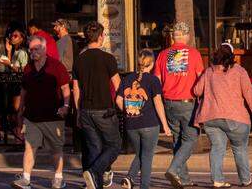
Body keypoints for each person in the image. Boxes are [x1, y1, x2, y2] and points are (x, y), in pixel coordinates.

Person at [193, 43, 252, 188]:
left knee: (217, 148)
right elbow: (249, 94)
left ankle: (218, 180)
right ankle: (246, 179)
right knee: (239, 149)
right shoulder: (239, 71)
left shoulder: (209, 71)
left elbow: (196, 91)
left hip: (211, 118)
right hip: (236, 118)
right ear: (232, 56)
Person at [12, 35, 71, 189]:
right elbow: (24, 91)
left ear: (44, 49)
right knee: (29, 148)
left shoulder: (57, 66)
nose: (33, 52)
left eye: (36, 49)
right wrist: (20, 111)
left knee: (56, 149)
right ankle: (25, 179)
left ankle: (58, 179)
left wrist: (66, 106)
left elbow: (66, 88)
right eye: (30, 49)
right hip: (32, 116)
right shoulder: (28, 68)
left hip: (53, 116)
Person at [72, 22, 121, 189]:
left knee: (95, 149)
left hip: (85, 109)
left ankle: (95, 182)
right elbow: (117, 85)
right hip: (104, 109)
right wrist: (124, 105)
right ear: (101, 37)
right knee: (114, 145)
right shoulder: (108, 58)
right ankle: (94, 171)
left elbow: (75, 88)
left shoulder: (79, 59)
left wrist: (78, 111)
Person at [155, 22, 204, 189]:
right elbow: (201, 79)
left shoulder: (162, 55)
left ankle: (183, 178)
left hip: (168, 103)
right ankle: (173, 169)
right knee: (191, 138)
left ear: (173, 36)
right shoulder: (194, 54)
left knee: (178, 140)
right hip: (187, 103)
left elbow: (157, 80)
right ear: (187, 36)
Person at [117, 49, 171, 189]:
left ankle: (129, 178)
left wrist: (128, 110)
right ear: (151, 63)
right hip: (149, 123)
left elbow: (118, 100)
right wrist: (165, 124)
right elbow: (158, 102)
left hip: (131, 124)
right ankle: (144, 185)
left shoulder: (127, 78)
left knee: (141, 153)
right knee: (147, 156)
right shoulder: (153, 80)